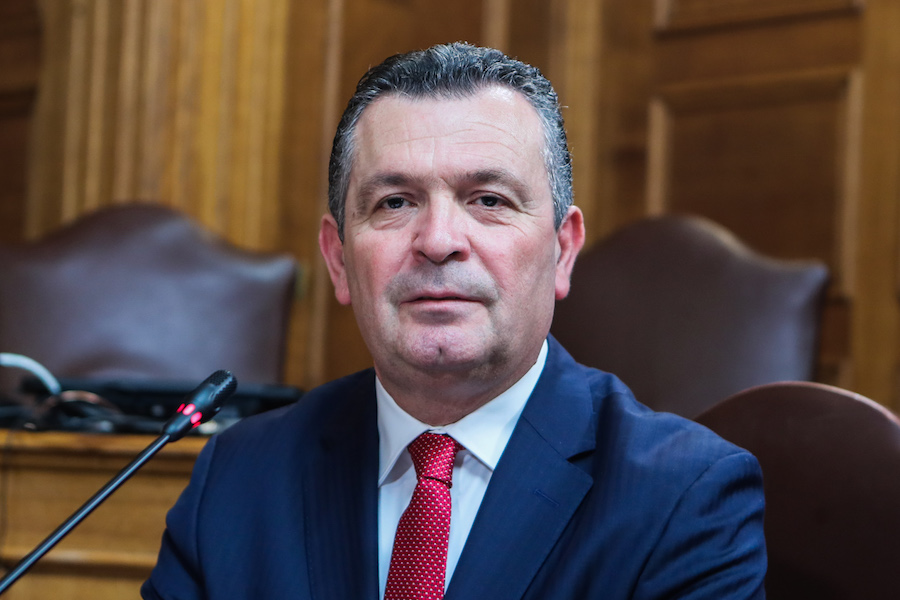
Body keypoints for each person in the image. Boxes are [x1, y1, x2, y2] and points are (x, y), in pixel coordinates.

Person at [142, 42, 766, 599]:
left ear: (562, 251)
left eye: (489, 200)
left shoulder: (684, 496)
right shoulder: (239, 478)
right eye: (395, 202)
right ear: (338, 259)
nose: (438, 240)